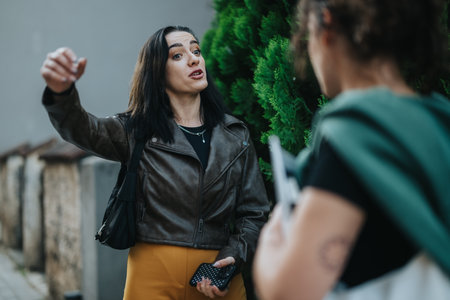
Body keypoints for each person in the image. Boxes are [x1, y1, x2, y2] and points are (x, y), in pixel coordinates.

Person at [40, 25, 270, 300]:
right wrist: (61, 94)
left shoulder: (236, 135)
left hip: (217, 278)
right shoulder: (137, 131)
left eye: (196, 51)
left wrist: (231, 258)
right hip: (152, 276)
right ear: (157, 75)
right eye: (177, 55)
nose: (194, 58)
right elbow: (83, 128)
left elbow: (254, 213)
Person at [253, 0, 450, 299]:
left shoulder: (356, 135)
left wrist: (271, 240)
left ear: (327, 25)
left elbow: (289, 292)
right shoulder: (439, 121)